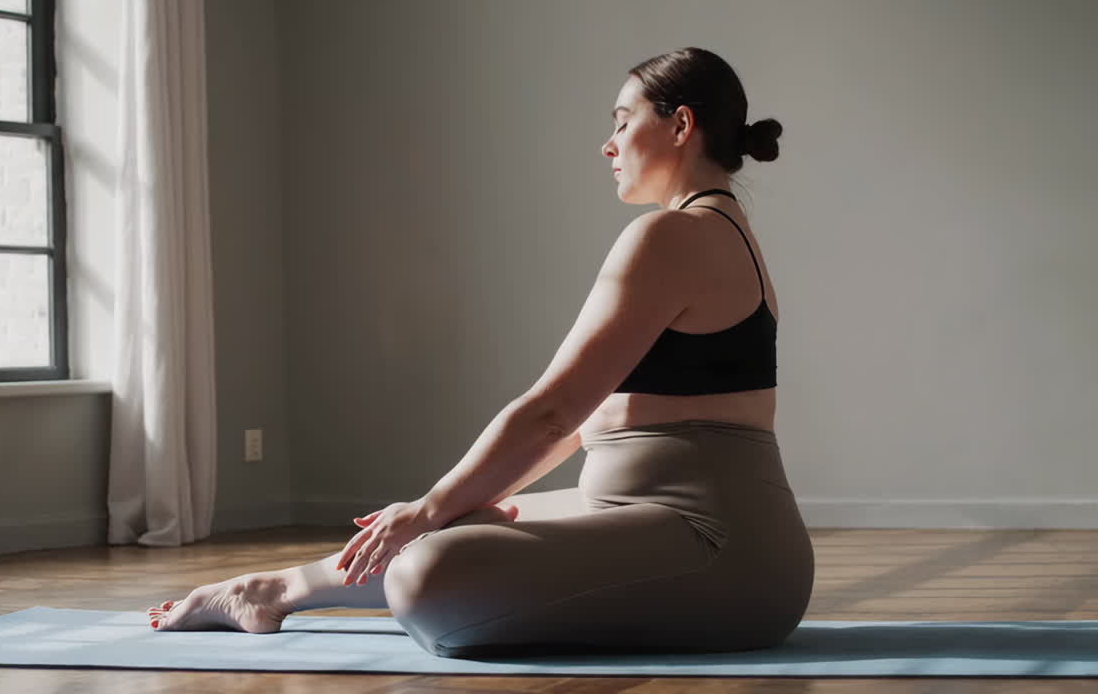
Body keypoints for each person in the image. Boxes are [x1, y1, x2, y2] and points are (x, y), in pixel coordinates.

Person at [147, 46, 814, 658]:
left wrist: (431, 506)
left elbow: (551, 410)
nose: (606, 144)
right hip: (700, 538)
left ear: (680, 125)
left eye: (621, 120)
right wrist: (450, 507)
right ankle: (272, 591)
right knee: (450, 523)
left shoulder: (670, 236)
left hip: (715, 546)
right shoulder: (721, 232)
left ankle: (295, 584)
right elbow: (578, 427)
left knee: (427, 566)